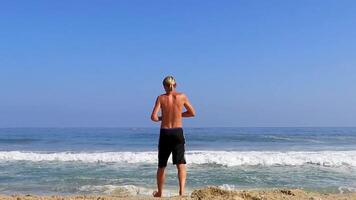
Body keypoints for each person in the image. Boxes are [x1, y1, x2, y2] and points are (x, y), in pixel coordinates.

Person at [150, 75, 196, 197]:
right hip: (177, 132)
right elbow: (192, 113)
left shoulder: (161, 98)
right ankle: (181, 192)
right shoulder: (182, 97)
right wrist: (179, 115)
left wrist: (162, 117)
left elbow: (153, 117)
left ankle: (160, 193)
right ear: (175, 85)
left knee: (161, 165)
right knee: (180, 164)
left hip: (165, 132)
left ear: (164, 86)